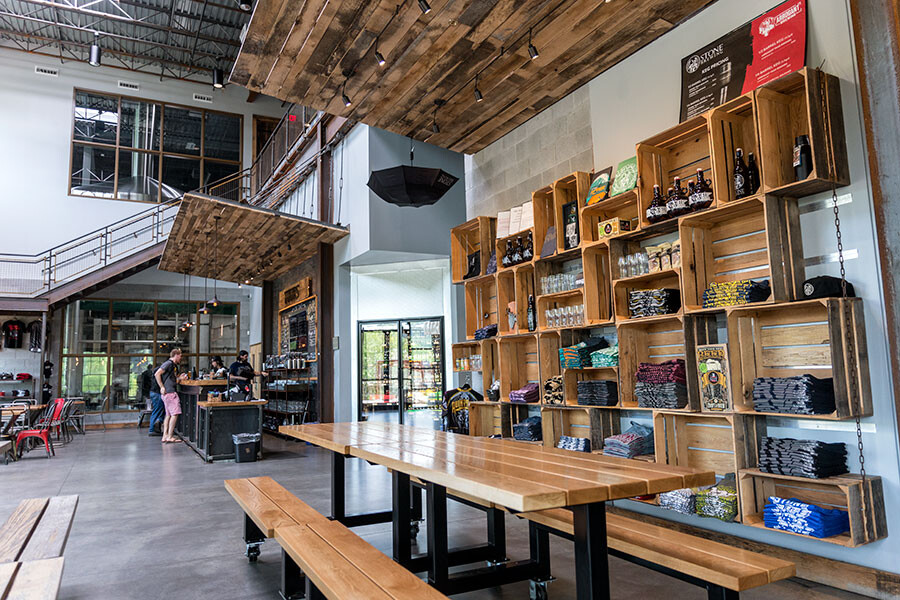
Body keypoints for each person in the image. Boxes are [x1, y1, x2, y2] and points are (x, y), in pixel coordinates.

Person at [155, 348, 187, 444]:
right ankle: (170, 436)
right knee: (175, 414)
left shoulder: (172, 366)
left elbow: (171, 379)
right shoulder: (169, 363)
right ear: (176, 355)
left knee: (168, 415)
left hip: (167, 393)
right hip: (170, 393)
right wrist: (161, 387)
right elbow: (157, 374)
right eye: (180, 356)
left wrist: (179, 378)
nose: (181, 358)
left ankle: (165, 435)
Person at [142, 363, 164, 437]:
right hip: (156, 393)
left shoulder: (155, 371)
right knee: (157, 411)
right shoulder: (160, 371)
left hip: (153, 392)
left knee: (157, 410)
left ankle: (155, 428)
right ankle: (152, 430)